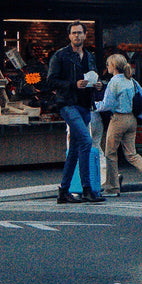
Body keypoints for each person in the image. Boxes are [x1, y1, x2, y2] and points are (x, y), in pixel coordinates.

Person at [45, 22, 102, 204]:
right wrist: (73, 84)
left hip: (85, 105)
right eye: (74, 33)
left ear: (85, 35)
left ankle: (63, 192)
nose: (77, 36)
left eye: (80, 33)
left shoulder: (90, 56)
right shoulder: (60, 56)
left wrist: (97, 85)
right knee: (86, 141)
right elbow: (51, 80)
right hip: (68, 104)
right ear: (69, 36)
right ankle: (86, 189)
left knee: (75, 150)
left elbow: (92, 75)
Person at [95, 54, 142, 195]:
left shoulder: (114, 82)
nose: (107, 67)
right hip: (132, 119)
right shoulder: (131, 80)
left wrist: (95, 105)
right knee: (132, 154)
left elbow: (108, 104)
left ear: (113, 66)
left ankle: (112, 187)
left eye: (108, 65)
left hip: (118, 119)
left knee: (110, 154)